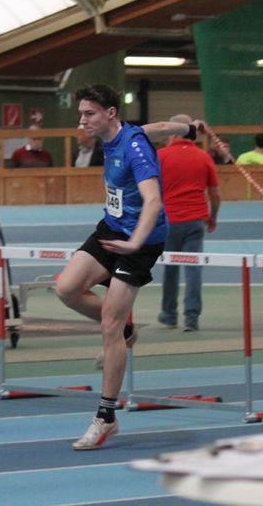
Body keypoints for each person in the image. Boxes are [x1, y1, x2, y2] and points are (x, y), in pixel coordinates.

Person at [55, 84, 200, 450]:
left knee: (109, 325)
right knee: (67, 288)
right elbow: (160, 127)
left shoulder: (136, 152)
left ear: (110, 113)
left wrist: (134, 243)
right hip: (112, 228)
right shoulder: (119, 133)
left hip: (141, 240)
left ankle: (106, 417)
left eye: (89, 113)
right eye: (81, 113)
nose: (82, 120)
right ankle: (127, 329)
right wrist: (190, 129)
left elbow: (153, 202)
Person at [157, 114, 220, 332]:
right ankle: (191, 318)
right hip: (195, 221)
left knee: (170, 268)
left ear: (173, 133)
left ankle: (169, 314)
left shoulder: (160, 156)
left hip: (169, 220)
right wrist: (213, 216)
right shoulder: (204, 157)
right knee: (194, 269)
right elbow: (215, 194)